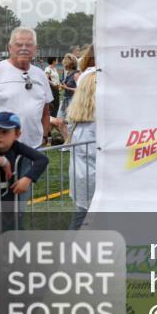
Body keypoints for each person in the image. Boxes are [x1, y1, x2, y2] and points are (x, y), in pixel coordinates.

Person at [0, 111, 50, 314]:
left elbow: (41, 159)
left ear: (17, 134)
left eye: (4, 132)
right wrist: (3, 162)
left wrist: (28, 178)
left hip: (10, 218)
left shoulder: (17, 147)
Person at [0, 27, 53, 149]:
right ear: (9, 48)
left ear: (35, 49)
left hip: (35, 150)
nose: (24, 48)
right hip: (1, 152)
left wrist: (44, 138)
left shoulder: (40, 75)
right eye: (19, 44)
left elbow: (45, 113)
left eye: (29, 45)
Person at [63, 70, 96, 229]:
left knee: (80, 219)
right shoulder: (98, 120)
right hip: (94, 179)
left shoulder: (75, 114)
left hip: (80, 176)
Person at [58, 54, 79, 118]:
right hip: (65, 98)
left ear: (68, 64)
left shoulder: (76, 74)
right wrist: (62, 86)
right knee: (59, 118)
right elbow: (64, 84)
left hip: (72, 99)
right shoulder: (67, 73)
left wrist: (66, 87)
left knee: (69, 120)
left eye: (64, 63)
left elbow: (79, 90)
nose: (63, 65)